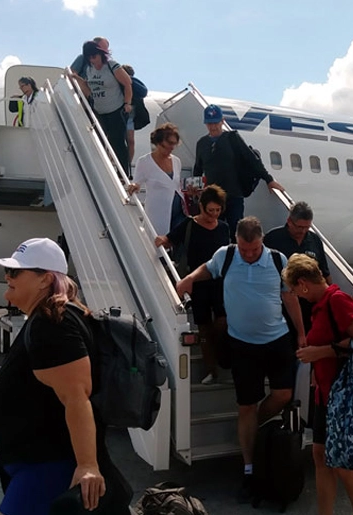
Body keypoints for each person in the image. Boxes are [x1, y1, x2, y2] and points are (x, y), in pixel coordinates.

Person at [0, 238, 130, 515]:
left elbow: (76, 396)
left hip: (48, 464)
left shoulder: (53, 324)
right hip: (37, 461)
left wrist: (88, 465)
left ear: (45, 280)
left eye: (16, 272)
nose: (8, 276)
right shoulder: (48, 318)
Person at [175, 217, 304, 503]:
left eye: (253, 249)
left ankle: (252, 428)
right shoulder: (227, 255)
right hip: (243, 344)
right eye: (244, 249)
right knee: (245, 405)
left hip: (277, 339)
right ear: (237, 241)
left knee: (283, 394)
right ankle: (248, 468)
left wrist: (302, 332)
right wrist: (190, 279)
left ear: (261, 242)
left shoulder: (276, 259)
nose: (248, 254)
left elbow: (290, 298)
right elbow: (207, 270)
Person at [283, 253, 353, 515]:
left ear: (303, 284)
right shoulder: (321, 305)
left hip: (341, 396)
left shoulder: (337, 301)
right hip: (324, 394)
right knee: (320, 457)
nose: (297, 296)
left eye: (295, 290)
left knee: (341, 463)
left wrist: (319, 353)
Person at [155, 185, 230, 384]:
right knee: (203, 328)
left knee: (222, 322)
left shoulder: (223, 227)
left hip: (219, 283)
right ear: (201, 207)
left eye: (217, 210)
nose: (213, 215)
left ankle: (220, 356)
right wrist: (160, 240)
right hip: (197, 284)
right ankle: (210, 368)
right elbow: (169, 240)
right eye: (210, 210)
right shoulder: (189, 225)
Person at [192, 104, 284, 238]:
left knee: (236, 230)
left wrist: (269, 179)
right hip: (213, 199)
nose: (213, 127)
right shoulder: (202, 143)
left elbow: (252, 160)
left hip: (233, 195)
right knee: (214, 232)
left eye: (216, 122)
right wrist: (196, 189)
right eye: (209, 123)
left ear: (222, 121)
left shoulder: (232, 138)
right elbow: (198, 169)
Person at [264, 201, 331, 336]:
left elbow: (324, 272)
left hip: (310, 305)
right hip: (282, 305)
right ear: (289, 221)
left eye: (307, 227)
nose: (302, 231)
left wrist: (329, 299)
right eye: (299, 227)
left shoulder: (314, 240)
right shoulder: (273, 238)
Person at [71, 40, 133, 178]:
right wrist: (78, 79)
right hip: (99, 111)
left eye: (95, 56)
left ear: (101, 54)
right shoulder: (89, 69)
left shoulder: (112, 66)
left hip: (116, 110)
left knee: (117, 142)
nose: (93, 60)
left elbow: (128, 83)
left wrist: (127, 103)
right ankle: (100, 171)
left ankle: (123, 174)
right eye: (90, 58)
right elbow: (89, 90)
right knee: (98, 140)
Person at [127, 124, 186, 235]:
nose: (169, 149)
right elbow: (137, 182)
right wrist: (135, 186)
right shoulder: (144, 161)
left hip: (179, 212)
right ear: (158, 143)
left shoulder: (176, 161)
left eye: (173, 146)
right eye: (166, 146)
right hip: (157, 213)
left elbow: (176, 186)